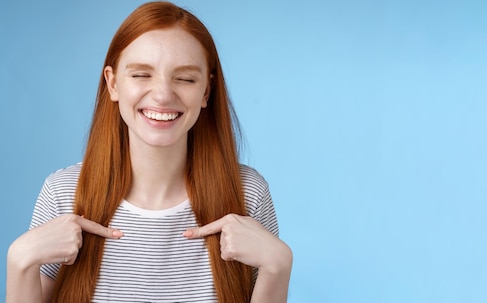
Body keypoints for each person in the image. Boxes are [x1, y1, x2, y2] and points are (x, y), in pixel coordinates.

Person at [6, 2, 292, 302]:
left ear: (206, 92)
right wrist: (19, 261)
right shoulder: (62, 193)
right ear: (113, 83)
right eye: (142, 75)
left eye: (185, 78)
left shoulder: (248, 194)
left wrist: (278, 267)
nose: (163, 94)